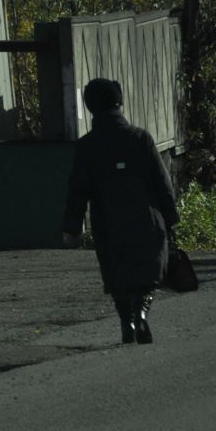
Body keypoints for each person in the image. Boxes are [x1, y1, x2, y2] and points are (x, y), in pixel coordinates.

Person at [61, 78, 180, 345]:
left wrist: (71, 228)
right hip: (146, 218)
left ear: (90, 106)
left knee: (118, 275)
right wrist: (171, 217)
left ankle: (126, 320)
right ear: (120, 101)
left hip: (108, 222)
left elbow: (77, 190)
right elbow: (162, 182)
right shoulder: (140, 138)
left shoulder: (87, 146)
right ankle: (141, 312)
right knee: (148, 273)